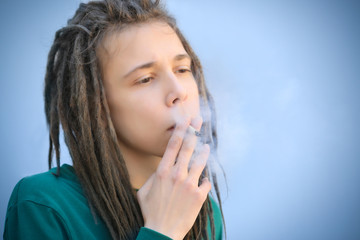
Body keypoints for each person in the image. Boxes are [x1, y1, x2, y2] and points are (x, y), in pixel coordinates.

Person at [3, 0, 225, 239]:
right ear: (93, 103)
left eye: (182, 70)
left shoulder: (200, 206)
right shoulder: (44, 205)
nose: (179, 92)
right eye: (146, 79)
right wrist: (163, 231)